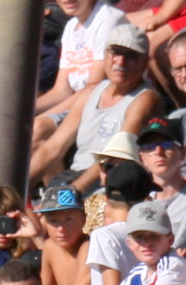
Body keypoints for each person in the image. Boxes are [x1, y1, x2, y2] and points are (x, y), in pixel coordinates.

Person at [29, 25, 161, 193]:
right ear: (105, 55)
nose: (120, 62)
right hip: (73, 177)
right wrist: (19, 188)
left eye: (131, 56)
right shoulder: (91, 92)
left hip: (111, 185)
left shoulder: (146, 99)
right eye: (116, 52)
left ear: (144, 63)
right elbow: (53, 147)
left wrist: (74, 191)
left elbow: (116, 154)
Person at [37, 0, 127, 117]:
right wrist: (22, 112)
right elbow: (61, 90)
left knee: (36, 129)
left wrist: (44, 117)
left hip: (104, 107)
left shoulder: (108, 20)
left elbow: (95, 86)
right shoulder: (71, 27)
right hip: (79, 103)